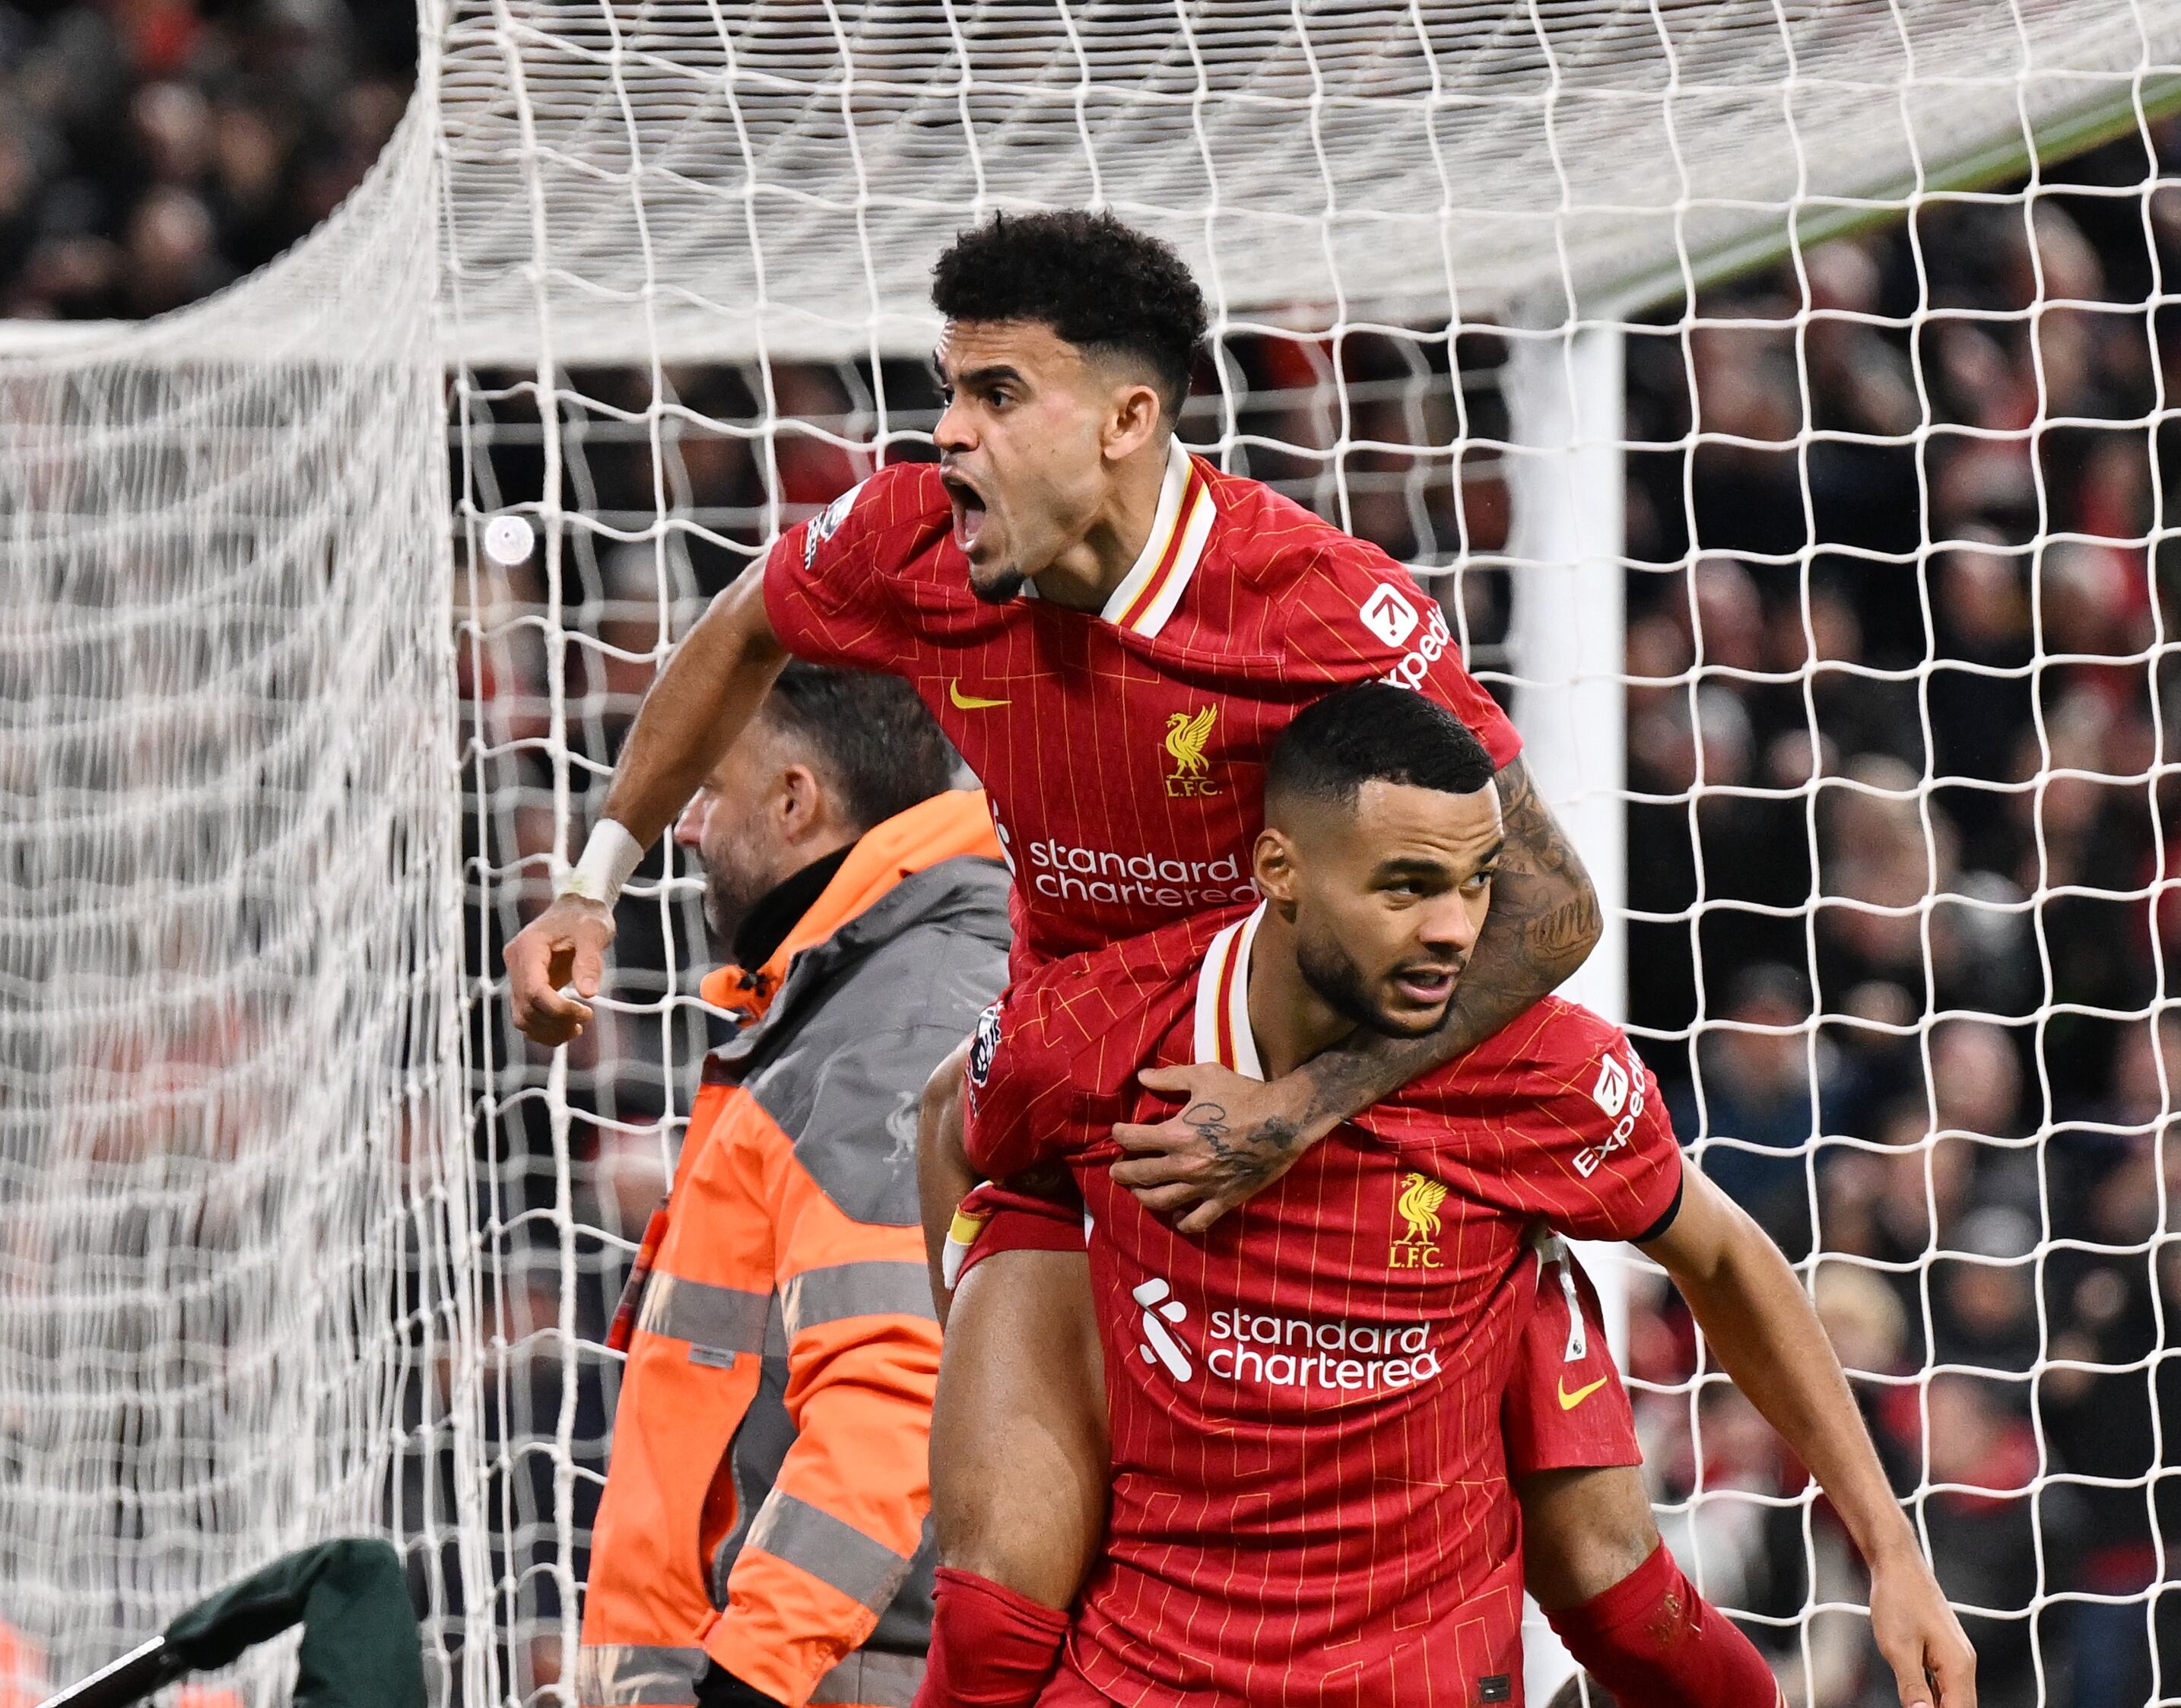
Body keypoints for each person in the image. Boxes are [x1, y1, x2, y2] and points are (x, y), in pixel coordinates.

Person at [505, 208, 1698, 1705]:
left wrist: (1303, 1104)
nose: (948, 435)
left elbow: (1549, 908)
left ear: (1131, 417)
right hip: (1083, 1095)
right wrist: (595, 879)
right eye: (947, 390)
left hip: (1317, 1112)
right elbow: (747, 622)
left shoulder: (1313, 608)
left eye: (997, 394)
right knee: (1000, 1614)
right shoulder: (917, 548)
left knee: (1618, 1594)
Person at [947, 685, 1974, 1708]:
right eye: (1405, 887)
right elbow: (950, 1125)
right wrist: (989, 1368)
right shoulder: (1091, 1034)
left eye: (1476, 883)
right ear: (1279, 871)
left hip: (1419, 1680)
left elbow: (1722, 1254)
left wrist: (1892, 1551)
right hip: (1146, 1673)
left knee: (1625, 1595)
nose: (1453, 929)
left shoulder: (1539, 1069)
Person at [577, 665, 1010, 1708]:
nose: (690, 830)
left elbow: (897, 1386)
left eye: (712, 789)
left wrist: (750, 1680)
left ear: (793, 798)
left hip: (820, 1675)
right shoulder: (854, 998)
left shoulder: (893, 1023)